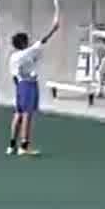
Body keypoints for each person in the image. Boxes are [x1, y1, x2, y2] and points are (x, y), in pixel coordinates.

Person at [6, 12, 63, 156]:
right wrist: (54, 28)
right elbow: (43, 40)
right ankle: (24, 146)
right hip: (29, 86)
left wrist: (19, 87)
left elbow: (14, 77)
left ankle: (12, 144)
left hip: (19, 86)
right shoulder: (27, 53)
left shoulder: (13, 57)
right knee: (27, 115)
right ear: (24, 43)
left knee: (18, 113)